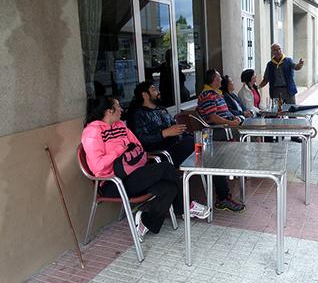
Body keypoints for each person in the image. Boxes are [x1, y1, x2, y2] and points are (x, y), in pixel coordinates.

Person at [81, 96, 210, 241]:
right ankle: (187, 206)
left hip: (133, 172)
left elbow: (138, 146)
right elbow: (97, 166)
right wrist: (119, 150)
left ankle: (145, 221)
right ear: (109, 111)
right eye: (118, 106)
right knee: (166, 168)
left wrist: (127, 152)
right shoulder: (92, 132)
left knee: (169, 188)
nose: (121, 109)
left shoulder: (120, 126)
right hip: (113, 182)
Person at [128, 81, 244, 213]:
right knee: (203, 148)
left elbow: (174, 128)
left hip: (178, 144)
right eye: (153, 89)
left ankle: (223, 196)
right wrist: (164, 133)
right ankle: (222, 198)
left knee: (209, 146)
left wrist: (181, 131)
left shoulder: (161, 109)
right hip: (162, 154)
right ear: (144, 94)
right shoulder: (137, 114)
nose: (158, 92)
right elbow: (141, 141)